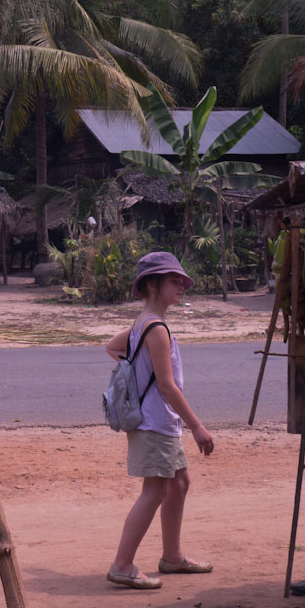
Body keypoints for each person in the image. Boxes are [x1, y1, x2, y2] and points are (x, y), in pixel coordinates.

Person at [105, 251, 214, 590]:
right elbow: (167, 386)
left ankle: (172, 557)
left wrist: (137, 369)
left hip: (158, 422)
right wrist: (196, 426)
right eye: (173, 280)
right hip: (154, 423)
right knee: (154, 491)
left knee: (179, 484)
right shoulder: (156, 328)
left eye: (181, 280)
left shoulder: (144, 323)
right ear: (152, 284)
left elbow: (112, 347)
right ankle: (122, 566)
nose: (181, 286)